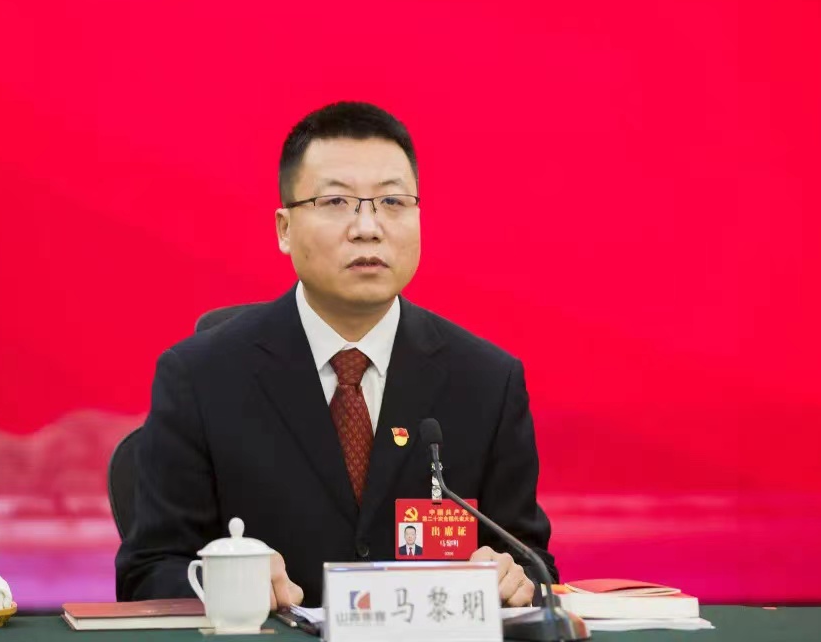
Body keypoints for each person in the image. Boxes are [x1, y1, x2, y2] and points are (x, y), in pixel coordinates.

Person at [116, 101, 557, 609]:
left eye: (392, 202)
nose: (368, 227)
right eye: (336, 202)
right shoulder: (200, 377)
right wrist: (227, 583)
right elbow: (148, 572)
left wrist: (514, 578)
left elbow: (532, 564)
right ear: (284, 229)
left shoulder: (487, 382)